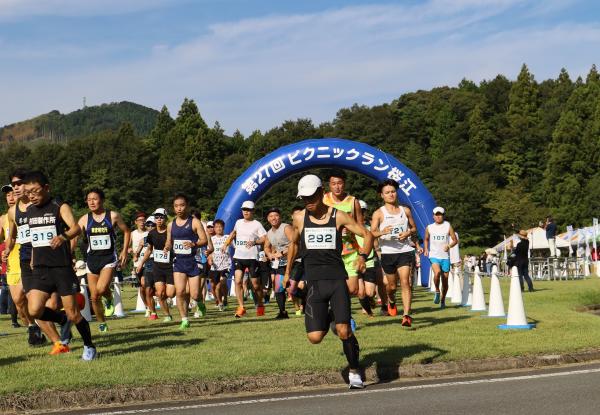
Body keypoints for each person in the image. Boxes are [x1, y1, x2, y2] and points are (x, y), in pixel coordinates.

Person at [286, 174, 373, 389]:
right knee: (314, 337)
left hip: (336, 281)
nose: (308, 201)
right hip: (314, 284)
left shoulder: (339, 216)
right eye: (304, 198)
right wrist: (289, 272)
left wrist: (362, 257)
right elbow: (294, 245)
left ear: (320, 192)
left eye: (311, 196)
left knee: (344, 331)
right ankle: (334, 316)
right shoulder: (299, 218)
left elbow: (367, 234)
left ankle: (354, 371)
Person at [21, 171, 97, 360]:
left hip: (61, 268)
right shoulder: (30, 210)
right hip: (40, 267)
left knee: (74, 313)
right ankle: (62, 320)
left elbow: (76, 227)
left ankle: (89, 346)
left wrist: (63, 237)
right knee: (34, 310)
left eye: (35, 191)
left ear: (46, 188)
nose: (32, 195)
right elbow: (34, 238)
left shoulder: (59, 206)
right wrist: (32, 258)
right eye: (28, 192)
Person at [3, 169, 58, 348]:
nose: (17, 188)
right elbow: (12, 236)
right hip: (25, 259)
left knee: (52, 303)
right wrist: (7, 249)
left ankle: (62, 323)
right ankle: (53, 338)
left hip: (47, 258)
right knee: (27, 302)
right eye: (14, 185)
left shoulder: (40, 205)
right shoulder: (12, 212)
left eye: (20, 184)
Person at [72, 188, 131, 333]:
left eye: (95, 199)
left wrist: (124, 251)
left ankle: (109, 298)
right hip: (92, 260)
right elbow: (74, 235)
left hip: (109, 258)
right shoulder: (85, 219)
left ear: (102, 200)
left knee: (101, 289)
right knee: (94, 296)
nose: (92, 202)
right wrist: (70, 252)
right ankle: (102, 323)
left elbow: (127, 231)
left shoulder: (113, 216)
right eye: (89, 199)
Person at [370, 180, 417, 326]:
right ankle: (391, 300)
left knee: (405, 282)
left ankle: (406, 315)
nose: (391, 194)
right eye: (387, 192)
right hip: (388, 253)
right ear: (382, 195)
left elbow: (414, 228)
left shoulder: (405, 210)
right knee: (391, 286)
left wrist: (408, 232)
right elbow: (372, 232)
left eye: (393, 191)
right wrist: (382, 232)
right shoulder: (378, 213)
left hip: (405, 250)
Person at [165, 194, 208, 329]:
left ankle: (200, 303)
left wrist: (194, 244)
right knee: (180, 292)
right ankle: (184, 319)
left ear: (187, 206)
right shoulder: (171, 225)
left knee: (195, 294)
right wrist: (167, 247)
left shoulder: (194, 222)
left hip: (193, 262)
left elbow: (204, 240)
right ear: (173, 208)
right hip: (179, 263)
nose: (179, 208)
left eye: (182, 205)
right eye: (176, 206)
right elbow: (169, 241)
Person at [222, 201, 267, 318]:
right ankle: (241, 307)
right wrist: (226, 243)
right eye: (244, 209)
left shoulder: (257, 224)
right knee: (237, 281)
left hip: (252, 258)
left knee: (256, 285)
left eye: (248, 209)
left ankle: (260, 304)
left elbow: (264, 238)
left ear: (253, 211)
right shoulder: (238, 222)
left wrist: (255, 242)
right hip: (239, 257)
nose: (246, 212)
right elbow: (233, 233)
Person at [137, 209, 174, 322]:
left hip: (171, 267)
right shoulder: (151, 234)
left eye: (161, 217)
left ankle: (169, 301)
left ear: (166, 218)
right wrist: (141, 263)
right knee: (160, 293)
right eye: (157, 217)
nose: (159, 219)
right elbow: (149, 250)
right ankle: (167, 315)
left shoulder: (171, 232)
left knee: (170, 293)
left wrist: (169, 248)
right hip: (157, 267)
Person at [424, 206, 458, 309]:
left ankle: (443, 300)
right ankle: (437, 291)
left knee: (445, 280)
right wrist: (426, 249)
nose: (438, 217)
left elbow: (455, 240)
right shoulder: (429, 227)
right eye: (436, 214)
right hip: (434, 255)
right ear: (433, 216)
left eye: (440, 215)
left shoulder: (447, 225)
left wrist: (449, 246)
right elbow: (426, 239)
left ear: (443, 216)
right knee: (437, 272)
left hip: (445, 257)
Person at [264, 207, 294, 319]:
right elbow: (266, 246)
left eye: (276, 215)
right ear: (268, 219)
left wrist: (282, 252)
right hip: (281, 264)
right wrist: (270, 254)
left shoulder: (286, 227)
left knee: (294, 288)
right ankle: (283, 312)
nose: (274, 218)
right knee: (278, 287)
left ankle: (305, 303)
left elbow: (294, 243)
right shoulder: (269, 233)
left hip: (294, 261)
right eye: (271, 216)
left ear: (280, 217)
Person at [355, 200, 377, 318]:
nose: (360, 214)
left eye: (362, 212)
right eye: (358, 212)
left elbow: (376, 242)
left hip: (369, 262)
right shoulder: (349, 229)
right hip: (355, 263)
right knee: (360, 292)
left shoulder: (369, 229)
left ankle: (370, 301)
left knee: (370, 292)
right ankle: (368, 311)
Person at [207, 219, 230, 311]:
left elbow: (236, 248)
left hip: (226, 265)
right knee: (216, 286)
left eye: (220, 226)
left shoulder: (228, 238)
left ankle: (225, 299)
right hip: (215, 266)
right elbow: (210, 252)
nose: (218, 228)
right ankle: (220, 302)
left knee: (222, 282)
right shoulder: (211, 239)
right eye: (216, 227)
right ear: (214, 228)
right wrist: (210, 259)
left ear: (223, 227)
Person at [130, 212, 150, 317]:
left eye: (144, 220)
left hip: (149, 262)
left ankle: (152, 304)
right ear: (136, 222)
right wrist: (131, 252)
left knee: (145, 284)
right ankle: (147, 307)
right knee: (141, 288)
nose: (142, 222)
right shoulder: (133, 234)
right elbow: (128, 247)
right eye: (140, 220)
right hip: (137, 263)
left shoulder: (149, 232)